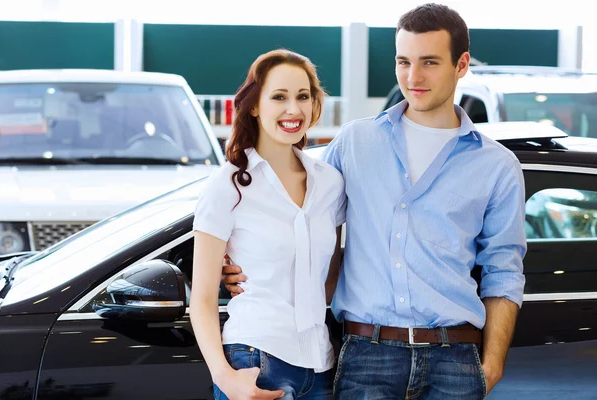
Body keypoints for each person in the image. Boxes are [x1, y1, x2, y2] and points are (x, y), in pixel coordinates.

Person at [222, 3, 527, 399]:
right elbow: (292, 207)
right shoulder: (354, 142)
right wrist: (235, 260)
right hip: (367, 355)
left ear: (462, 64)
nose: (412, 77)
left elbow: (503, 270)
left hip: (455, 358)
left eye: (429, 62)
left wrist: (491, 366)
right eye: (404, 61)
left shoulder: (498, 166)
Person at [189, 48, 346, 400]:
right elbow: (201, 299)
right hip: (256, 359)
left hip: (321, 365)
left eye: (303, 96)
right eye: (279, 97)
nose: (294, 109)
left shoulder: (330, 183)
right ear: (255, 105)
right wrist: (226, 379)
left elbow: (329, 277)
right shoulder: (228, 184)